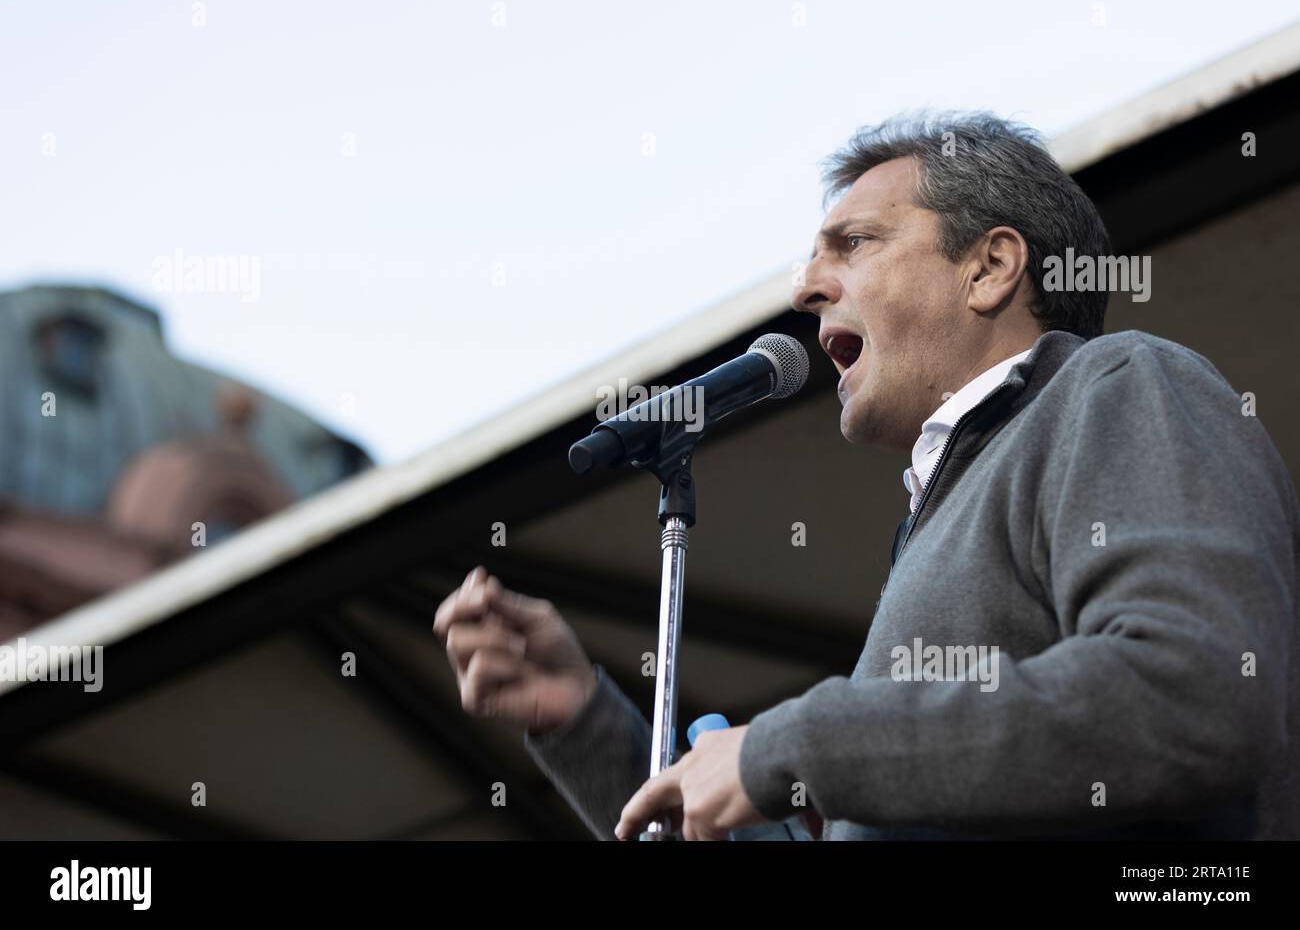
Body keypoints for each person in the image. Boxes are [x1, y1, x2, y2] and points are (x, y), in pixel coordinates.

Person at [433, 112, 1300, 841]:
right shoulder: (937, 515)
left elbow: (1195, 691)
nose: (807, 288)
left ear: (990, 267)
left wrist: (793, 743)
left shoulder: (1115, 387)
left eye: (853, 244)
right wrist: (578, 716)